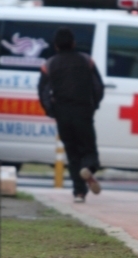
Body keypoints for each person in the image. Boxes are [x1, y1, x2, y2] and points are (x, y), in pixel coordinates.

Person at [38, 27, 104, 202]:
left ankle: (79, 193)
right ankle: (89, 168)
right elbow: (98, 87)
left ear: (56, 46)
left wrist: (52, 111)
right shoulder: (86, 61)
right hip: (83, 111)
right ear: (73, 43)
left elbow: (43, 92)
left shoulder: (49, 65)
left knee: (72, 153)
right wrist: (93, 105)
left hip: (62, 113)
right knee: (89, 150)